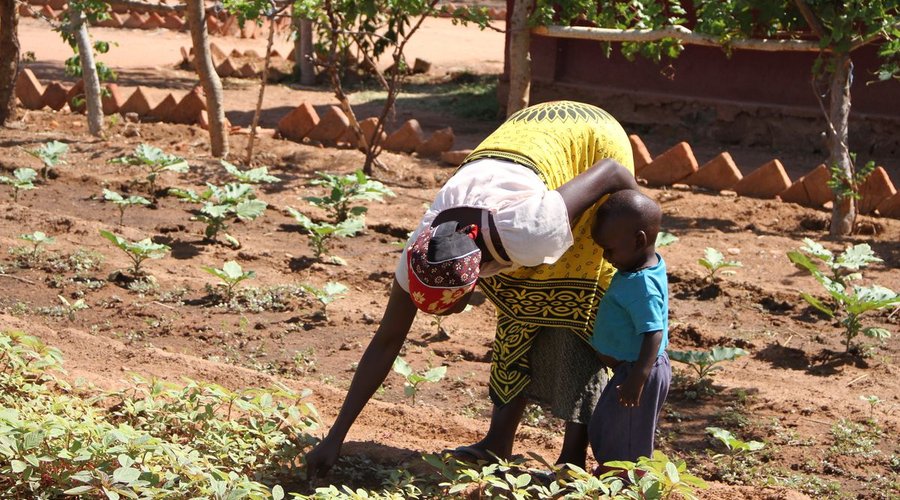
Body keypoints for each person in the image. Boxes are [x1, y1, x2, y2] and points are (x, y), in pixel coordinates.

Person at [304, 100, 639, 477]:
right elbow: (387, 338)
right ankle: (498, 443)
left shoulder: (533, 230)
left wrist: (643, 251)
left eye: (445, 309)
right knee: (518, 304)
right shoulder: (423, 250)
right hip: (523, 145)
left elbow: (610, 171)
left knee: (577, 302)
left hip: (591, 140)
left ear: (472, 283)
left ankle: (572, 459)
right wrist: (335, 436)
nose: (436, 317)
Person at [587, 189, 671, 472]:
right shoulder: (644, 266)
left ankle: (624, 481)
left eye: (609, 249)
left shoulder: (641, 285)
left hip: (639, 371)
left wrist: (638, 378)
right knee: (611, 425)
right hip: (633, 369)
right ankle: (614, 475)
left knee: (628, 435)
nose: (605, 255)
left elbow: (653, 332)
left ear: (639, 240)